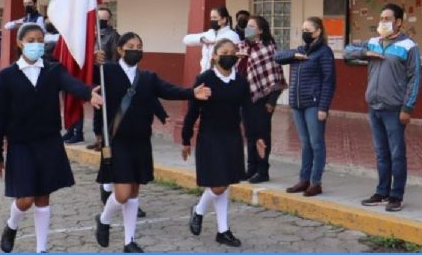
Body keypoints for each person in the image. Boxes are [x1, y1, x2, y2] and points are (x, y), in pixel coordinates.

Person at [94, 32, 211, 253]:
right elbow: (86, 80)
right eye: (131, 46)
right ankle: (103, 220)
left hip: (140, 140)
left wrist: (191, 93)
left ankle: (129, 241)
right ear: (119, 49)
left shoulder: (147, 77)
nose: (136, 49)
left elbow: (168, 90)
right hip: (117, 141)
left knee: (134, 192)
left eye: (139, 46)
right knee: (122, 194)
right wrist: (94, 62)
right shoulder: (106, 72)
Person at [0, 23, 104, 253]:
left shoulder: (54, 70)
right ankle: (12, 225)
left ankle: (41, 249)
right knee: (25, 199)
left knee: (43, 197)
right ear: (20, 43)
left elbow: (71, 84)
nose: (36, 45)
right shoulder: (6, 76)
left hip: (48, 140)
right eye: (31, 40)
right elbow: (0, 114)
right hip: (21, 143)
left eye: (40, 40)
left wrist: (87, 93)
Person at [183, 38, 265, 248]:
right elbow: (192, 111)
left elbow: (248, 111)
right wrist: (185, 139)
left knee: (225, 182)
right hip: (210, 136)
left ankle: (223, 230)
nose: (230, 55)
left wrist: (256, 137)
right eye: (225, 52)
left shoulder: (241, 81)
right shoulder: (205, 78)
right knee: (218, 184)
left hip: (231, 135)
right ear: (215, 57)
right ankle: (199, 210)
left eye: (233, 51)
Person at [343, 4, 421, 212]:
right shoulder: (373, 42)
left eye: (387, 18)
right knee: (381, 153)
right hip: (374, 107)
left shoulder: (408, 46)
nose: (383, 22)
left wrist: (408, 108)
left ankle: (396, 195)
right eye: (381, 18)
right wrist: (366, 53)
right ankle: (382, 192)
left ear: (398, 22)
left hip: (395, 109)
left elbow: (415, 79)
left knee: (397, 153)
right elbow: (347, 52)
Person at [275, 17, 336, 197]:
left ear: (318, 32)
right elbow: (277, 57)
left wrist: (323, 107)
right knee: (305, 143)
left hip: (314, 104)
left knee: (316, 143)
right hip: (297, 104)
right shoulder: (300, 50)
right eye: (303, 29)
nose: (304, 33)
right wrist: (294, 55)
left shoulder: (324, 52)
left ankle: (316, 182)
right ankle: (304, 179)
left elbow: (329, 81)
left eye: (308, 30)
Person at [236, 15, 287, 183]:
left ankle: (263, 170)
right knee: (250, 134)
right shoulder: (242, 47)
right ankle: (251, 168)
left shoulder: (269, 49)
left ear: (260, 30)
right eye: (247, 26)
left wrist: (272, 101)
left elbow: (276, 77)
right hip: (245, 98)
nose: (247, 29)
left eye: (252, 26)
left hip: (263, 99)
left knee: (262, 134)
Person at [64, 6, 120, 146]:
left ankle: (106, 138)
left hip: (105, 75)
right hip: (90, 75)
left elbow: (115, 58)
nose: (101, 21)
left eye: (104, 19)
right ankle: (97, 137)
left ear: (109, 19)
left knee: (104, 108)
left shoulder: (113, 36)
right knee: (94, 107)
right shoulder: (87, 35)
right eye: (99, 18)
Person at [183, 6, 241, 73]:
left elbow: (237, 57)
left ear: (224, 19)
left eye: (215, 18)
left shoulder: (232, 35)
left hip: (223, 74)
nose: (212, 20)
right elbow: (186, 39)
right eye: (211, 18)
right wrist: (202, 40)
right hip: (205, 73)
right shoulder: (209, 34)